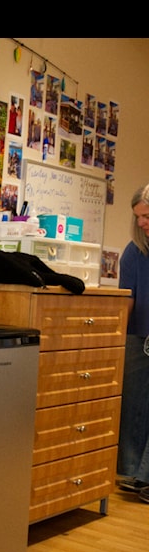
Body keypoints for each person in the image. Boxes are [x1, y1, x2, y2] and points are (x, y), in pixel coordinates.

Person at [117, 183, 149, 503]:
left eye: (148, 216)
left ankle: (146, 477)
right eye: (138, 217)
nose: (142, 223)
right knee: (134, 408)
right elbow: (128, 298)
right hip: (138, 335)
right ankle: (129, 472)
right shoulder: (133, 252)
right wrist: (117, 338)